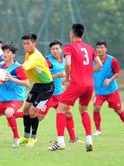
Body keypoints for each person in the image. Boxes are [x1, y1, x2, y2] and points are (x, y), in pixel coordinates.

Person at [48, 23, 102, 152]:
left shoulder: (70, 47)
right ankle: (89, 139)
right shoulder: (89, 48)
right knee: (84, 110)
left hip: (77, 83)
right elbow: (99, 64)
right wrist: (88, 72)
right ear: (82, 34)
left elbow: (67, 63)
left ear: (71, 34)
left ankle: (60, 142)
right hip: (89, 85)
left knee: (60, 109)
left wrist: (67, 77)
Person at [0, 42, 30, 148]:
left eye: (8, 52)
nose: (5, 54)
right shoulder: (1, 66)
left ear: (13, 55)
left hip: (16, 98)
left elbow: (27, 83)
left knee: (8, 112)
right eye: (4, 51)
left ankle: (16, 138)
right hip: (3, 99)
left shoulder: (18, 68)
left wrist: (11, 79)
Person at [38, 40, 82, 143]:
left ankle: (73, 138)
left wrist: (67, 79)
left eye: (57, 48)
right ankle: (18, 118)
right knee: (38, 117)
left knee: (68, 114)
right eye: (52, 49)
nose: (54, 51)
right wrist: (55, 76)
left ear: (61, 50)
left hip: (60, 95)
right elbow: (42, 77)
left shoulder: (65, 61)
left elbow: (69, 73)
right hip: (47, 94)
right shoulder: (47, 61)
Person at [20, 33, 54, 148]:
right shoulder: (28, 55)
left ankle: (33, 138)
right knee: (26, 109)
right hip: (37, 85)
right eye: (24, 44)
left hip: (47, 88)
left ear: (34, 43)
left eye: (28, 43)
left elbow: (23, 68)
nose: (26, 46)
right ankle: (25, 136)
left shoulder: (36, 56)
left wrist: (7, 73)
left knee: (33, 112)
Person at [92, 40, 124, 136]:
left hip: (111, 91)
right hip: (99, 92)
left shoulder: (112, 60)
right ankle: (98, 130)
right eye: (98, 47)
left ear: (106, 49)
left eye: (102, 47)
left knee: (118, 110)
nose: (99, 49)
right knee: (96, 108)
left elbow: (117, 73)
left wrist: (109, 80)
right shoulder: (92, 60)